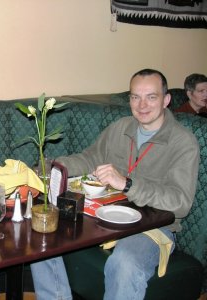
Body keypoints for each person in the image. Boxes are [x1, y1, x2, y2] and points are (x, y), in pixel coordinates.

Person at [35, 69, 200, 300]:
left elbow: (180, 203)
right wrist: (50, 166)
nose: (142, 105)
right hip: (105, 213)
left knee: (126, 263)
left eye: (151, 97)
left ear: (166, 100)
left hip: (152, 227)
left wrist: (128, 184)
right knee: (42, 228)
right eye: (135, 97)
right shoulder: (121, 127)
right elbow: (90, 158)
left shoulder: (183, 142)